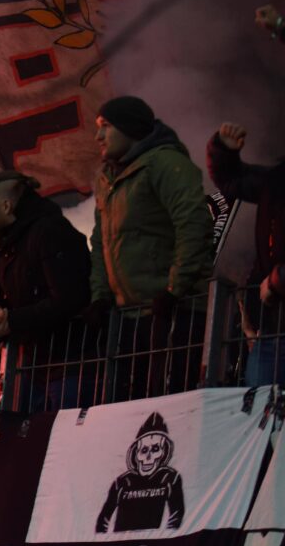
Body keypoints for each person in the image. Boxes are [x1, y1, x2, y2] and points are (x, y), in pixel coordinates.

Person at [85, 96, 213, 397]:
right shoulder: (107, 179)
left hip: (176, 314)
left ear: (130, 128)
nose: (97, 136)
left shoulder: (167, 164)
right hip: (131, 315)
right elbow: (100, 240)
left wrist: (173, 290)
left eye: (105, 126)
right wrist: (100, 296)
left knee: (171, 403)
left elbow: (193, 225)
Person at [0, 171, 92, 410]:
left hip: (68, 360)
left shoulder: (51, 231)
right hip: (29, 364)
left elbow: (69, 298)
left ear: (7, 206)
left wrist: (13, 320)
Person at [206, 122, 285, 386]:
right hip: (271, 331)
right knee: (258, 419)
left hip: (272, 328)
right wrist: (224, 154)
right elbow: (233, 182)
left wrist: (277, 281)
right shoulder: (277, 181)